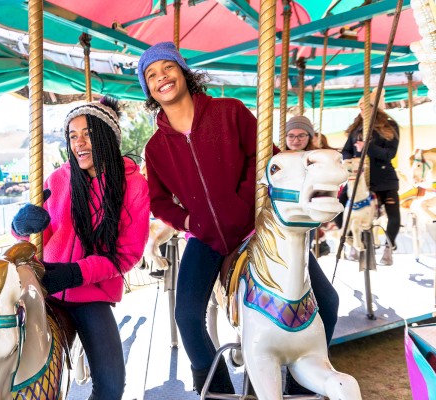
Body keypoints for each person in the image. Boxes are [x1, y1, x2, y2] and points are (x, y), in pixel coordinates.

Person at [138, 41, 339, 395]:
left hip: (255, 229)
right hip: (206, 239)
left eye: (167, 67)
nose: (161, 77)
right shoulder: (156, 148)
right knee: (186, 316)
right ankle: (216, 388)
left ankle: (301, 380)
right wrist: (189, 223)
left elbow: (269, 162)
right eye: (151, 75)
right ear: (149, 89)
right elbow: (158, 201)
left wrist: (243, 200)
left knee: (329, 300)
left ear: (183, 72)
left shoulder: (229, 112)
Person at [0, 96, 150, 400]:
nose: (79, 143)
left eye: (88, 133)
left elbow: (127, 255)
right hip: (42, 288)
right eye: (72, 136)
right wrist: (20, 226)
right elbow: (35, 233)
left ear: (107, 135)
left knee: (111, 384)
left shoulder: (132, 186)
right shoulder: (59, 179)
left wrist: (74, 273)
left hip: (91, 294)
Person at [341, 88, 400, 266]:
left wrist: (368, 148)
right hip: (360, 180)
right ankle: (350, 239)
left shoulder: (389, 127)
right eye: (361, 108)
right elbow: (346, 150)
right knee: (342, 203)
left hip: (383, 178)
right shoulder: (356, 129)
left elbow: (390, 154)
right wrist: (349, 160)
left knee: (393, 211)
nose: (363, 112)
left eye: (368, 108)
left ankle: (389, 247)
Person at [285, 115, 331, 257]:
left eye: (301, 136)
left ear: (309, 137)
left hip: (305, 214)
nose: (296, 140)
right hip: (281, 211)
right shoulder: (278, 158)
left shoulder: (317, 159)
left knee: (301, 254)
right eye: (291, 135)